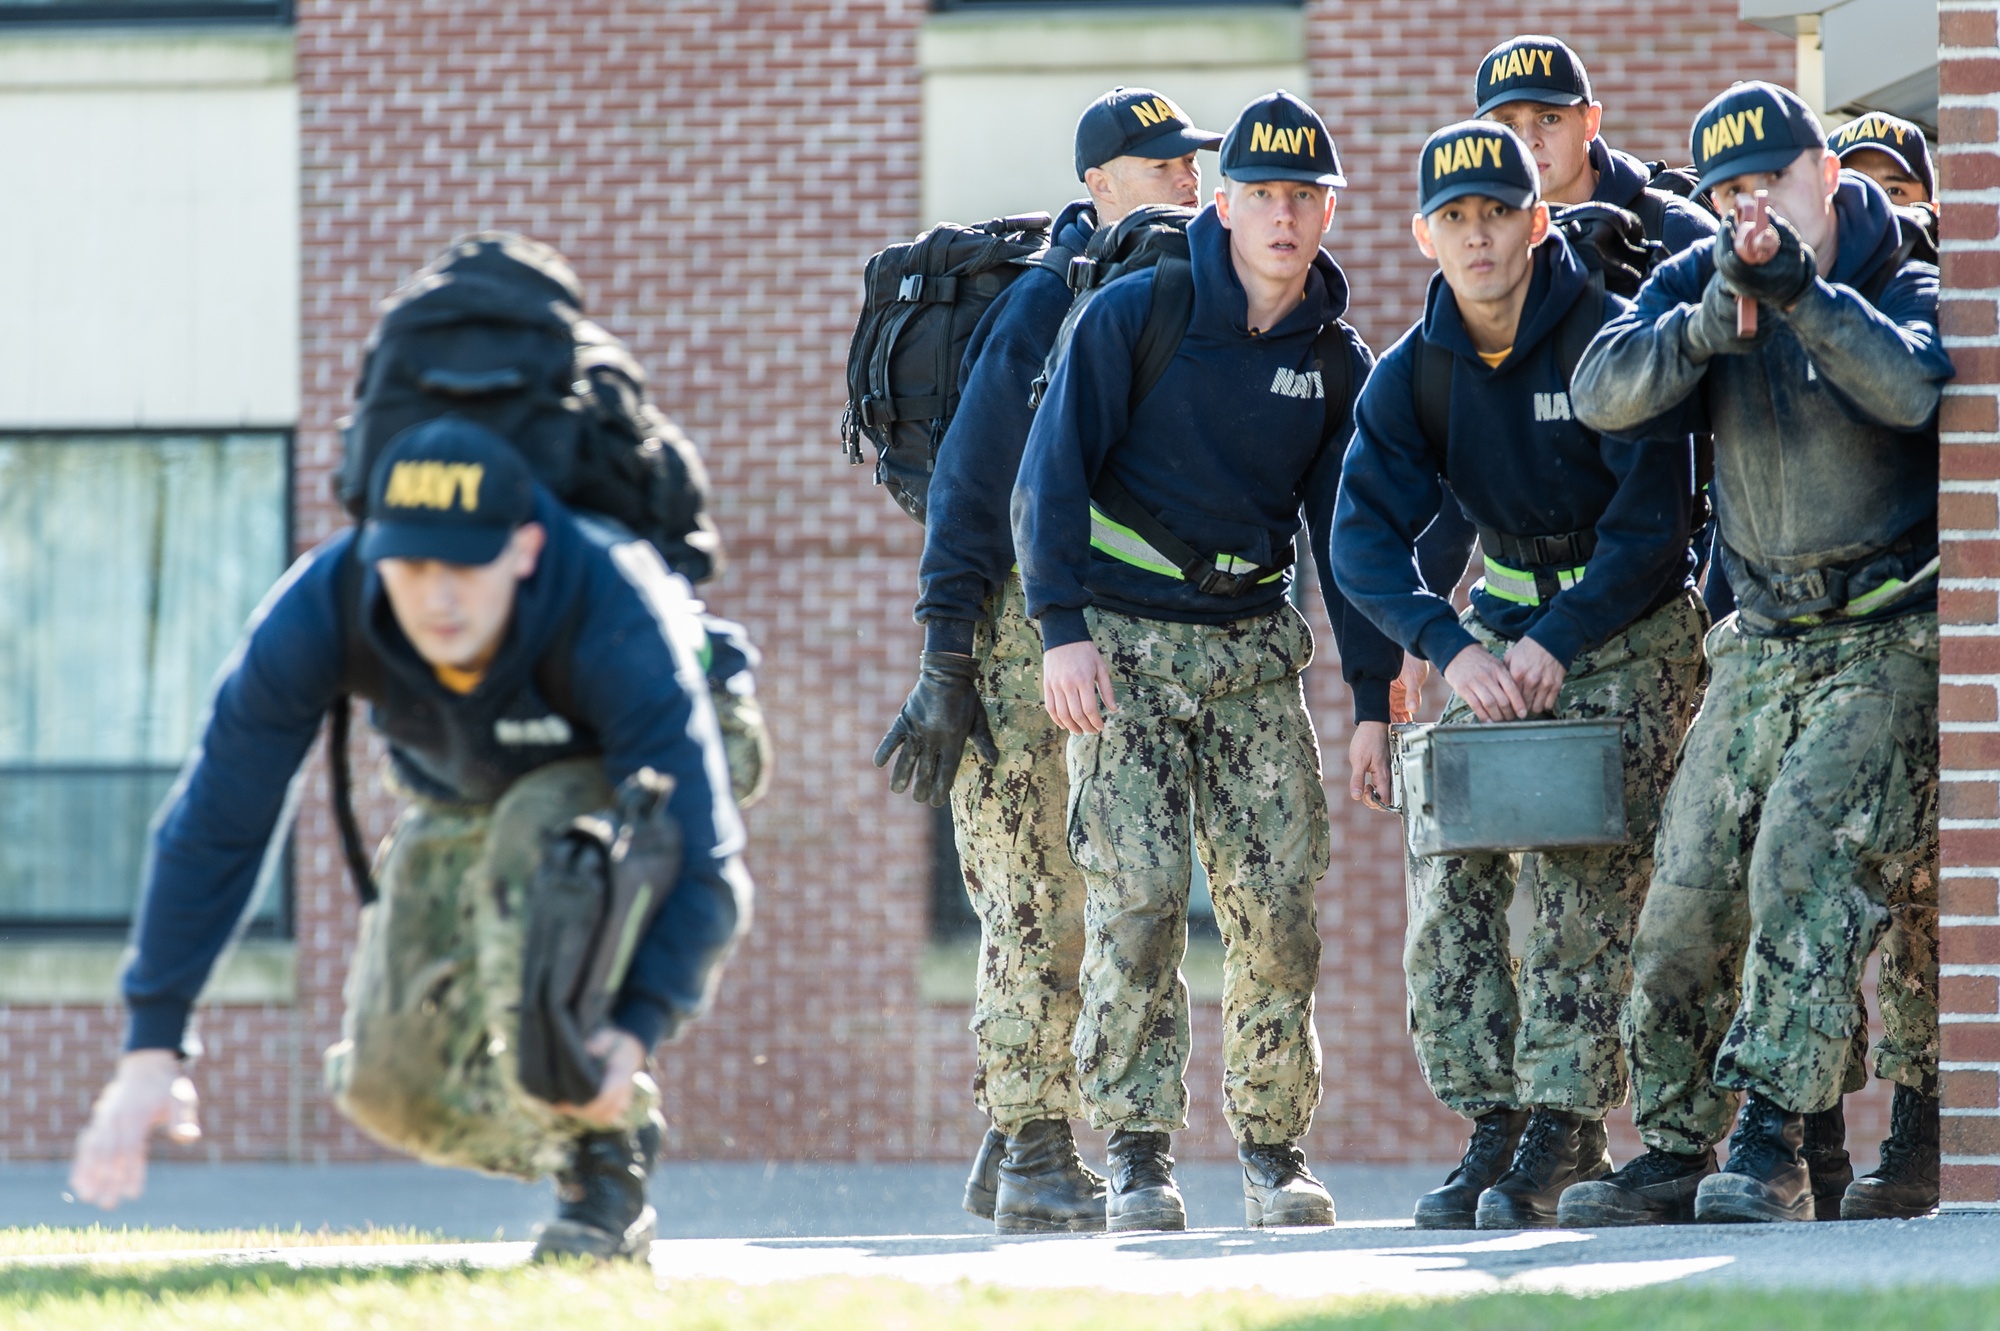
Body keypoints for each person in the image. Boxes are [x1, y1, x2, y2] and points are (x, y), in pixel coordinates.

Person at [68, 418, 751, 1260]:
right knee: (388, 1091)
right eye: (412, 566)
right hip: (468, 776)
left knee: (541, 842)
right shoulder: (324, 602)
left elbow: (708, 861)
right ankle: (583, 1121)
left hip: (650, 761)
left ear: (525, 548)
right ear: (374, 554)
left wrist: (637, 1021)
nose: (438, 598)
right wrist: (152, 1045)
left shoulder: (608, 601)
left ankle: (601, 1164)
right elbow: (217, 820)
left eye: (466, 564)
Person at [1566, 82, 1949, 1225]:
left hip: (1885, 631)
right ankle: (1677, 1142)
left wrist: (1800, 295)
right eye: (1726, 193)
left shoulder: (1900, 275)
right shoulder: (1698, 278)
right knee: (1680, 890)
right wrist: (1700, 322)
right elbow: (1599, 391)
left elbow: (1913, 388)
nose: (1748, 212)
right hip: (1760, 638)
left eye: (1768, 185)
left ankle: (1774, 1134)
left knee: (1800, 863)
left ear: (1822, 178)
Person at [1012, 90, 1378, 1232]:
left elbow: (1348, 534)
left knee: (1275, 907)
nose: (1280, 214)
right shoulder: (1138, 312)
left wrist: (1371, 695)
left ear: (1327, 210)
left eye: (1301, 195)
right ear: (1219, 206)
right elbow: (1045, 477)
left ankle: (1272, 1149)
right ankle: (1134, 1151)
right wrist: (1059, 629)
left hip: (1253, 655)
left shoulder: (1333, 358)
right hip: (1118, 646)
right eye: (1259, 193)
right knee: (1138, 902)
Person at [1332, 121, 1706, 1230]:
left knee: (1576, 871)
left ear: (1536, 219)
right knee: (1448, 866)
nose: (1477, 236)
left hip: (1624, 628)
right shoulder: (1413, 373)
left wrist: (1558, 639)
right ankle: (1489, 1121)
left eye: (1496, 212)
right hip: (1494, 624)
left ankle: (1563, 1121)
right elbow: (1358, 540)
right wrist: (1449, 646)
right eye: (1453, 219)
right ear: (1422, 238)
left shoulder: (1605, 337)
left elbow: (1655, 531)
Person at [874, 85, 1221, 1235]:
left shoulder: (1184, 291)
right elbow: (972, 485)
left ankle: (1008, 1138)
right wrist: (944, 661)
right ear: (1098, 183)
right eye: (1158, 161)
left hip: (1120, 624)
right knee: (1034, 888)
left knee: (1104, 880)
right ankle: (1030, 1149)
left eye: (1189, 161)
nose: (1186, 177)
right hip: (1018, 628)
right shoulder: (1046, 300)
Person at [1473, 34, 1717, 256]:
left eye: (1549, 118)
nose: (1529, 141)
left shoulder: (1674, 227)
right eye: (1508, 126)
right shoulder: (1483, 247)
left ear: (1590, 122)